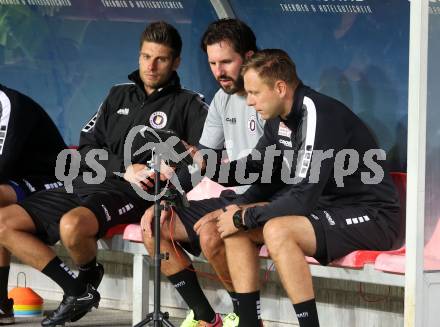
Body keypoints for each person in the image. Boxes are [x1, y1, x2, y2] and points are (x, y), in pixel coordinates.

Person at [0, 21, 208, 327]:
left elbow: (204, 160)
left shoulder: (189, 104)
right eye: (145, 56)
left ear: (176, 62)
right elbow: (85, 149)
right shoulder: (117, 95)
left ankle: (83, 282)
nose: (151, 65)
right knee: (3, 223)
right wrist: (124, 168)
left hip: (134, 194)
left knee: (72, 226)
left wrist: (175, 177)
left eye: (161, 59)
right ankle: (76, 290)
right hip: (90, 182)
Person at [215, 49, 400, 327]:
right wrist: (205, 168)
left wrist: (244, 217)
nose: (250, 102)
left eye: (254, 93)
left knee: (275, 229)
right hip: (326, 209)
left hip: (373, 216)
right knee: (235, 224)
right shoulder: (277, 119)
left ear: (280, 87)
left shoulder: (317, 113)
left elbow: (301, 199)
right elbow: (255, 167)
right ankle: (249, 323)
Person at [141, 19, 263, 327]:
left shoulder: (267, 97)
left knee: (211, 233)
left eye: (226, 62)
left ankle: (247, 318)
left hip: (267, 197)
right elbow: (203, 161)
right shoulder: (221, 100)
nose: (218, 71)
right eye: (212, 63)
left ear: (248, 58)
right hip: (234, 196)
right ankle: (208, 318)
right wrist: (170, 192)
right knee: (155, 225)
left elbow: (274, 170)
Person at [0, 84, 66, 325]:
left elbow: (2, 166)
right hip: (15, 181)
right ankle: (0, 303)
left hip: (53, 180)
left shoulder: (7, 103)